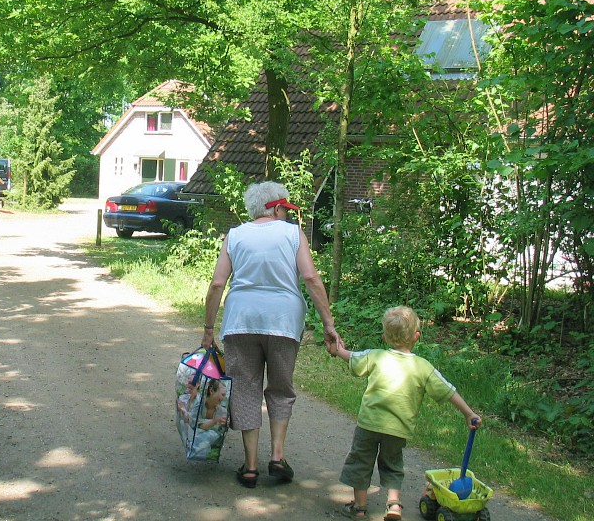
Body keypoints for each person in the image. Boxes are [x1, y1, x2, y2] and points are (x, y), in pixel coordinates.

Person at [201, 181, 342, 488]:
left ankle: (250, 466)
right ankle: (277, 456)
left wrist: (209, 329)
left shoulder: (235, 235)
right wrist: (328, 324)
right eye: (286, 209)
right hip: (283, 321)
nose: (288, 215)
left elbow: (216, 284)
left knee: (245, 389)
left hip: (241, 321)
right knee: (280, 388)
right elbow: (310, 277)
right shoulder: (292, 234)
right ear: (276, 207)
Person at [327, 306, 481, 520]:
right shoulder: (423, 367)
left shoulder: (375, 356)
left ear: (385, 336)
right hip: (398, 429)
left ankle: (360, 507)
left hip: (369, 424)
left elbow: (352, 357)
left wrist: (336, 349)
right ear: (416, 336)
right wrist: (468, 413)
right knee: (393, 464)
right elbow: (448, 390)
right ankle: (394, 505)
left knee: (361, 462)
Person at [189, 379, 229, 459]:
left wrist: (226, 424)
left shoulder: (222, 411)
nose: (223, 399)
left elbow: (221, 432)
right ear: (211, 391)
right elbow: (195, 425)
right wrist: (214, 422)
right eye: (222, 395)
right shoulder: (199, 406)